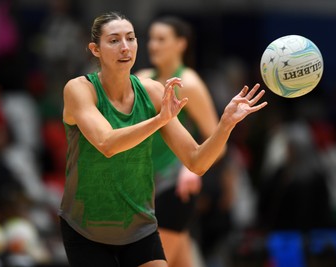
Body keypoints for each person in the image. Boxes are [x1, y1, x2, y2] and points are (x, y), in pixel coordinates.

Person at [58, 11, 267, 267]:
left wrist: (226, 124)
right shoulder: (79, 89)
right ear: (95, 49)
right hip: (87, 228)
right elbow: (107, 144)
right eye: (114, 40)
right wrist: (159, 120)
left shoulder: (154, 91)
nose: (125, 47)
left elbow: (197, 162)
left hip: (140, 224)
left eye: (131, 38)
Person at [135, 16, 220, 267]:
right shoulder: (141, 78)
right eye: (151, 39)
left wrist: (188, 169)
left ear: (181, 44)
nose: (153, 45)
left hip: (175, 186)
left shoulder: (190, 84)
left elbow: (218, 141)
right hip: (142, 186)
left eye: (161, 39)